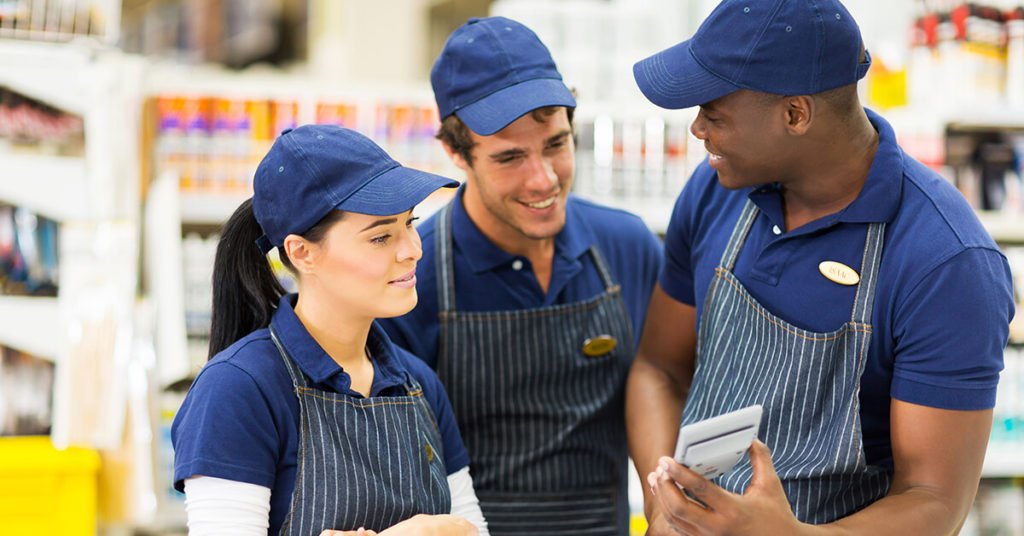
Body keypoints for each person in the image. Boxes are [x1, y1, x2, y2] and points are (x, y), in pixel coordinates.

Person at [625, 0, 1015, 534]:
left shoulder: (945, 262)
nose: (696, 130)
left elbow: (934, 499)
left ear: (795, 115)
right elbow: (658, 369)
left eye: (714, 114)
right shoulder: (714, 192)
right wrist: (663, 509)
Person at [378, 16, 663, 536]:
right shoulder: (410, 278)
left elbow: (665, 387)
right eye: (510, 157)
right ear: (455, 152)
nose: (544, 178)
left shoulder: (628, 247)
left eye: (556, 143)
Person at [171, 125, 489, 535]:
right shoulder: (238, 390)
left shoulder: (418, 383)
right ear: (302, 252)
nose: (413, 248)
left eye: (410, 224)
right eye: (380, 237)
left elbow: (472, 529)